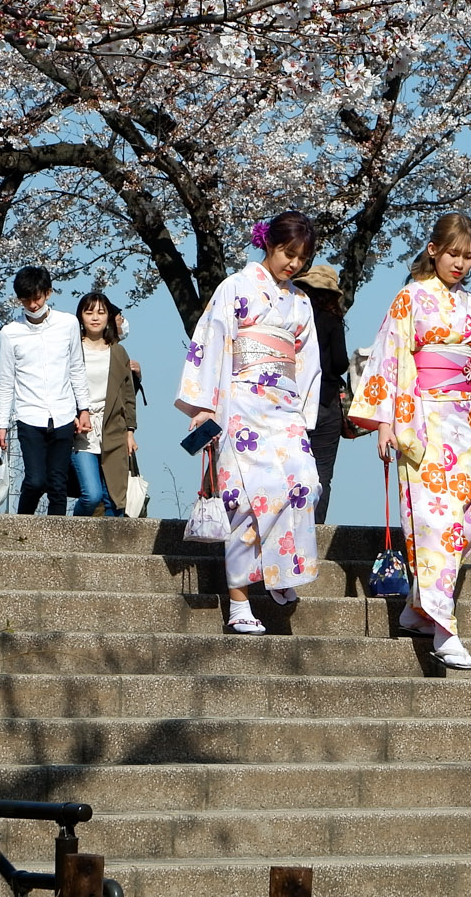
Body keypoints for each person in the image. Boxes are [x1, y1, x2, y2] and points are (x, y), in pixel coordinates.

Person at [364, 212, 471, 669]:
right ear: (433, 251)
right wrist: (385, 422)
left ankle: (415, 610)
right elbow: (389, 359)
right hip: (421, 422)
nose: (460, 264)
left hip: (463, 426)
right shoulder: (410, 299)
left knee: (462, 528)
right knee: (433, 525)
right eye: (453, 254)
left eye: (468, 257)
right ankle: (446, 630)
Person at [175, 211, 323, 634]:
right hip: (240, 401)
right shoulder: (236, 287)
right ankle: (239, 602)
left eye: (301, 258)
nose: (293, 264)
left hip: (284, 406)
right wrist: (204, 405)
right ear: (268, 244)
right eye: (287, 253)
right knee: (245, 496)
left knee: (303, 485)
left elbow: (308, 363)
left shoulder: (302, 303)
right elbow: (213, 339)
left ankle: (280, 571)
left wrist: (303, 412)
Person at [0, 266, 92, 516]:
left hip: (63, 412)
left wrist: (84, 409)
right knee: (36, 480)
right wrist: (1, 424)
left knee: (58, 484)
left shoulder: (68, 323)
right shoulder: (10, 333)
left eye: (36, 297)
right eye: (26, 299)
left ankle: (55, 545)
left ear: (47, 293)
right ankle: (19, 529)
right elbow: (6, 380)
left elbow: (76, 369)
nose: (33, 304)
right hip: (29, 414)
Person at [293, 262, 352, 524]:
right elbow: (340, 362)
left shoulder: (292, 316)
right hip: (326, 402)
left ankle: (287, 525)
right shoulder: (332, 320)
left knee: (291, 468)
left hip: (293, 399)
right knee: (322, 473)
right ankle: (315, 528)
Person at [71, 291, 138, 516]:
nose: (95, 317)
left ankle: (112, 546)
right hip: (82, 430)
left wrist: (130, 431)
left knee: (115, 500)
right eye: (89, 312)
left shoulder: (118, 352)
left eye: (101, 312)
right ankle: (70, 534)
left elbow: (128, 395)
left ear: (109, 316)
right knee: (91, 495)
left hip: (114, 428)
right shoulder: (72, 349)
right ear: (80, 316)